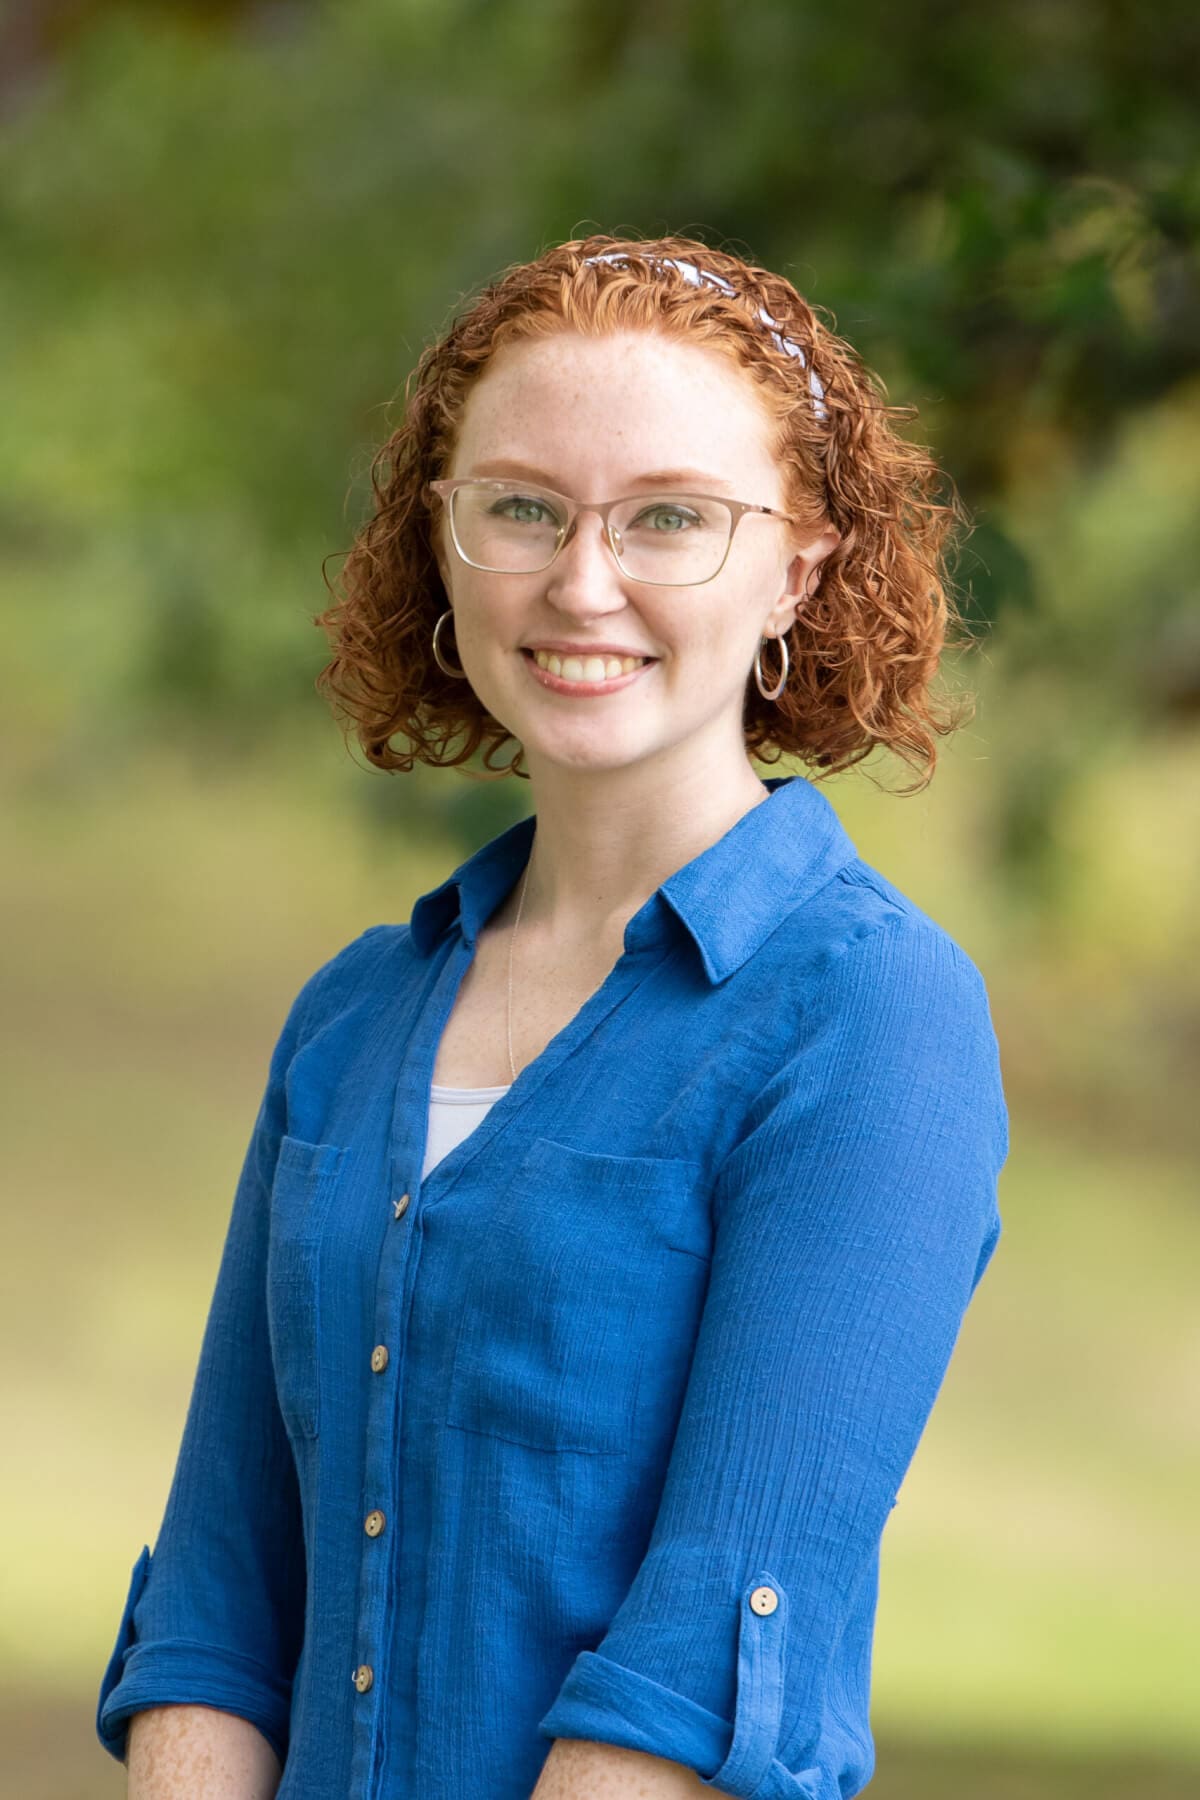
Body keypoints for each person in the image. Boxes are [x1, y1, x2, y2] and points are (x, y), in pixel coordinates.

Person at [95, 232, 1009, 1800]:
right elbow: (216, 1605)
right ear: (440, 541)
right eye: (522, 507)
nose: (583, 582)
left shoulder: (866, 1016)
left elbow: (703, 1661)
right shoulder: (351, 1019)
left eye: (669, 518)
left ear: (796, 563)